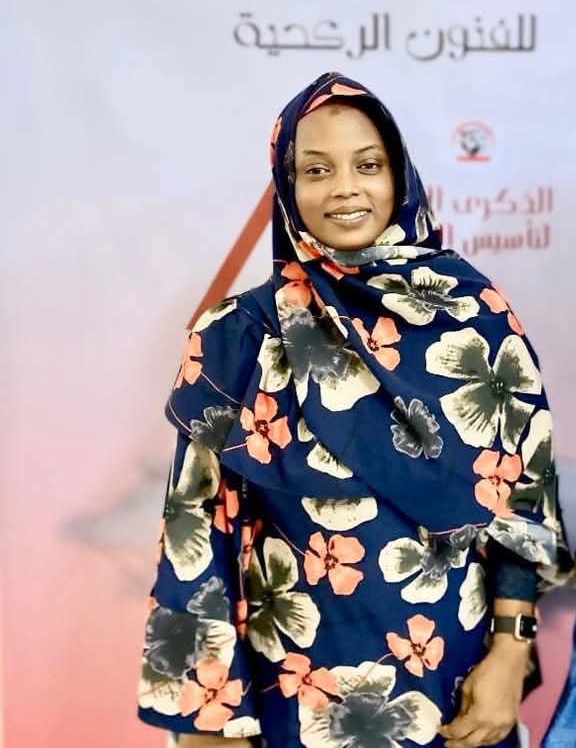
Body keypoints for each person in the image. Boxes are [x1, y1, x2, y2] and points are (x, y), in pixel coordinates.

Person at [137, 73, 570, 748]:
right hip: (298, 699)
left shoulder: (473, 317)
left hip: (457, 691)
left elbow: (522, 504)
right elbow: (198, 530)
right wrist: (207, 721)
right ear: (287, 188)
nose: (345, 187)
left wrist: (511, 653)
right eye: (317, 170)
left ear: (399, 176)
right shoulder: (239, 336)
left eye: (368, 165)